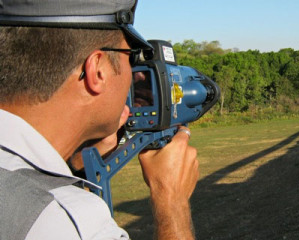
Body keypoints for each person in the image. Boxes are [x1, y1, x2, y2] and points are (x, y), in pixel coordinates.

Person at [0, 0, 198, 239]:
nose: (132, 77)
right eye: (130, 58)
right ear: (98, 71)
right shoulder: (66, 221)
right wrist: (172, 200)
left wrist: (75, 163)